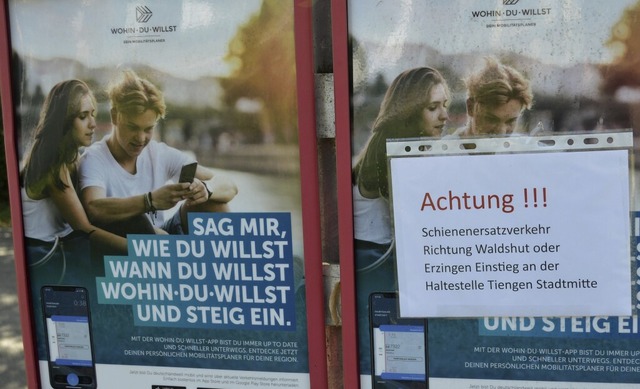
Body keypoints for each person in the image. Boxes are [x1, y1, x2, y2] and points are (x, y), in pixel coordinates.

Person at [351, 67, 450, 374]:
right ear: (408, 112)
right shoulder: (391, 150)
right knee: (395, 364)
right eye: (432, 108)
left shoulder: (391, 143)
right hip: (373, 265)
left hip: (377, 261)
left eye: (446, 105)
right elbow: (419, 222)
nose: (444, 116)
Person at [20, 79, 127, 358]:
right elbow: (84, 228)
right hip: (47, 257)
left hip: (62, 247)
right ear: (64, 121)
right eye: (83, 116)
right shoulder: (52, 161)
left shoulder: (70, 155)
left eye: (93, 114)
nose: (92, 124)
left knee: (129, 221)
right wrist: (142, 251)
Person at [79, 70, 237, 235]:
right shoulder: (94, 158)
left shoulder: (159, 153)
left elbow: (230, 186)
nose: (141, 138)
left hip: (161, 235)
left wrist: (206, 188)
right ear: (114, 116)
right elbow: (93, 209)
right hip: (125, 244)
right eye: (133, 127)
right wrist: (150, 201)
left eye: (148, 129)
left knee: (214, 204)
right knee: (138, 223)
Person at [454, 57, 533, 136]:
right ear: (470, 107)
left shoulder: (527, 147)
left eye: (510, 121)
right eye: (491, 119)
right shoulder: (445, 146)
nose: (501, 132)